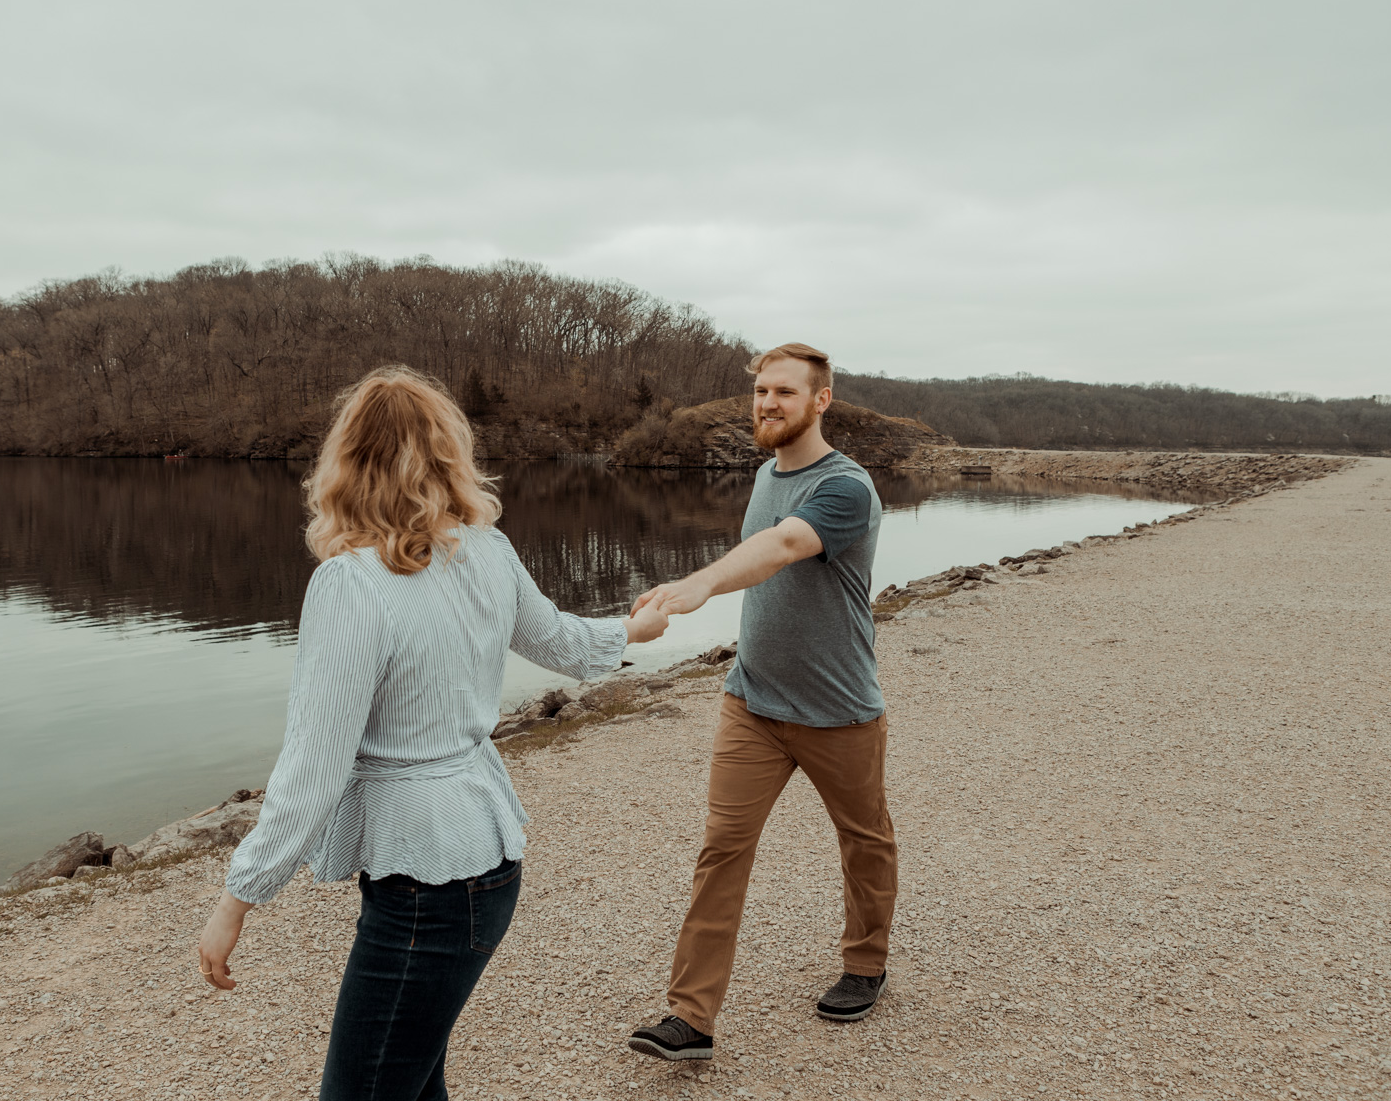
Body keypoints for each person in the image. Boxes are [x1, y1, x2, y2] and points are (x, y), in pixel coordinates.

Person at [196, 365, 670, 1100]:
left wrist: (239, 897)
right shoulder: (488, 549)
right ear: (450, 455)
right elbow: (560, 643)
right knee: (413, 1084)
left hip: (427, 885)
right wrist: (631, 629)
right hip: (485, 860)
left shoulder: (350, 583)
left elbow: (315, 766)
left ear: (346, 463)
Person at [626, 342, 897, 1062]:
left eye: (785, 392)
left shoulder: (846, 487)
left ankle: (866, 963)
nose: (768, 403)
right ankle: (690, 1018)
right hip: (752, 703)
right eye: (760, 392)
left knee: (865, 840)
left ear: (821, 400)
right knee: (722, 849)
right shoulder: (761, 475)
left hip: (839, 709)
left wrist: (698, 585)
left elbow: (782, 546)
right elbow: (764, 556)